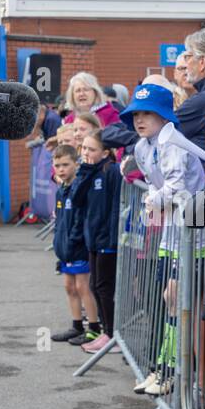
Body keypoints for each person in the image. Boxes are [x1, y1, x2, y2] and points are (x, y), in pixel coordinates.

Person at [123, 82, 205, 396]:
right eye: (136, 114)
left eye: (148, 114)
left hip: (196, 230)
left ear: (164, 116)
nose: (140, 120)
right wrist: (154, 200)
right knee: (169, 300)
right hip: (170, 233)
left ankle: (174, 372)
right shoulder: (142, 147)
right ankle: (163, 368)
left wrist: (153, 201)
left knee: (177, 299)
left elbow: (175, 188)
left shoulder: (173, 141)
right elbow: (155, 189)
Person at [50, 143, 99, 346]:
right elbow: (60, 222)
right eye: (57, 165)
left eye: (65, 165)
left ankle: (94, 328)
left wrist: (73, 242)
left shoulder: (78, 187)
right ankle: (76, 325)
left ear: (76, 164)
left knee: (82, 286)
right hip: (65, 248)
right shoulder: (60, 190)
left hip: (78, 247)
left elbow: (80, 221)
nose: (61, 169)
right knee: (69, 286)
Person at [78, 129, 122, 355]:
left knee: (105, 288)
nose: (85, 152)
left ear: (105, 153)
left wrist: (112, 238)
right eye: (83, 148)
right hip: (92, 239)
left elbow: (116, 206)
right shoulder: (89, 171)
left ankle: (112, 333)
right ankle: (106, 331)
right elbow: (76, 199)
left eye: (91, 149)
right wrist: (84, 171)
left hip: (108, 240)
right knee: (95, 285)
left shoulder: (111, 171)